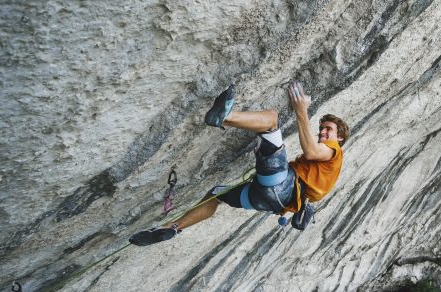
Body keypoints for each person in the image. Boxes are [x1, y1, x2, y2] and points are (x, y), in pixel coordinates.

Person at [129, 82, 347, 246]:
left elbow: (310, 150)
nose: (323, 132)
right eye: (323, 128)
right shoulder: (325, 169)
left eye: (329, 130)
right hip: (268, 202)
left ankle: (224, 116)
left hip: (281, 184)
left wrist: (301, 109)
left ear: (339, 139)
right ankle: (174, 227)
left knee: (271, 120)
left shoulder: (334, 151)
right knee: (216, 194)